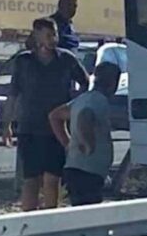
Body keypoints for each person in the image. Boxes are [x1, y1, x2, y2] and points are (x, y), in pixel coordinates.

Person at [3, 17, 88, 210]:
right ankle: (28, 218)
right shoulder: (24, 61)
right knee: (31, 179)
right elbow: (13, 94)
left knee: (52, 178)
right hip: (29, 128)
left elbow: (85, 82)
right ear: (37, 35)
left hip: (56, 130)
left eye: (55, 34)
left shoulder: (66, 59)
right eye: (48, 35)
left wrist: (74, 107)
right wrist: (7, 125)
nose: (53, 39)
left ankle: (50, 218)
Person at [49, 62, 120, 206]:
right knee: (88, 210)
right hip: (88, 170)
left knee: (80, 208)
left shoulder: (84, 98)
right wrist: (87, 143)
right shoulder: (99, 100)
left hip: (76, 166)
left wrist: (67, 142)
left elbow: (55, 115)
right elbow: (84, 116)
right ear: (113, 83)